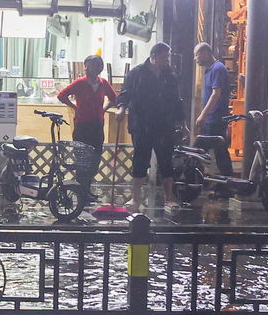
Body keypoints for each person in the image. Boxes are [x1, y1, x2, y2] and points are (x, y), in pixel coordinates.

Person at [117, 41, 183, 208]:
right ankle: (135, 198)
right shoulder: (137, 73)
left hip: (164, 123)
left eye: (168, 57)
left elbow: (177, 100)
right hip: (142, 122)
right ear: (153, 57)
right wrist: (121, 109)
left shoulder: (170, 76)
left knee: (166, 160)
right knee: (140, 159)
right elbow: (125, 93)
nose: (167, 60)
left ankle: (169, 198)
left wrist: (182, 122)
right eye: (164, 57)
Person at [56, 55, 118, 156]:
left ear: (99, 68)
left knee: (96, 156)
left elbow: (114, 98)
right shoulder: (79, 82)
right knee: (81, 158)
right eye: (86, 66)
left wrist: (104, 109)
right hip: (82, 124)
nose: (86, 69)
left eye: (90, 66)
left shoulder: (103, 83)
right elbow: (61, 95)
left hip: (97, 124)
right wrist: (75, 108)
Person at [192, 42, 234, 180]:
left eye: (196, 55)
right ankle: (218, 181)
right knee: (215, 151)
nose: (195, 58)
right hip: (211, 117)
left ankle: (225, 181)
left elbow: (216, 93)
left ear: (205, 53)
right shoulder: (210, 69)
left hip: (215, 118)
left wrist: (202, 115)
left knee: (211, 150)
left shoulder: (217, 68)